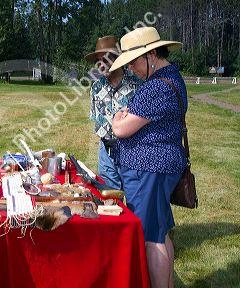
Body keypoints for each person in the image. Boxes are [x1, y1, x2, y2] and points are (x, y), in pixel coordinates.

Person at [110, 27, 188, 288]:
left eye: (134, 62)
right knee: (160, 232)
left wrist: (117, 118)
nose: (131, 68)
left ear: (151, 55)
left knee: (151, 237)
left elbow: (121, 128)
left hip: (150, 170)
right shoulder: (171, 78)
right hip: (157, 168)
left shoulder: (156, 88)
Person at [85, 35, 141, 190]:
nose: (101, 64)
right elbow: (96, 119)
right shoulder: (96, 87)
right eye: (98, 60)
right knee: (110, 198)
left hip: (132, 150)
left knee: (133, 198)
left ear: (118, 58)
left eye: (106, 59)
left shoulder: (137, 84)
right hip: (105, 152)